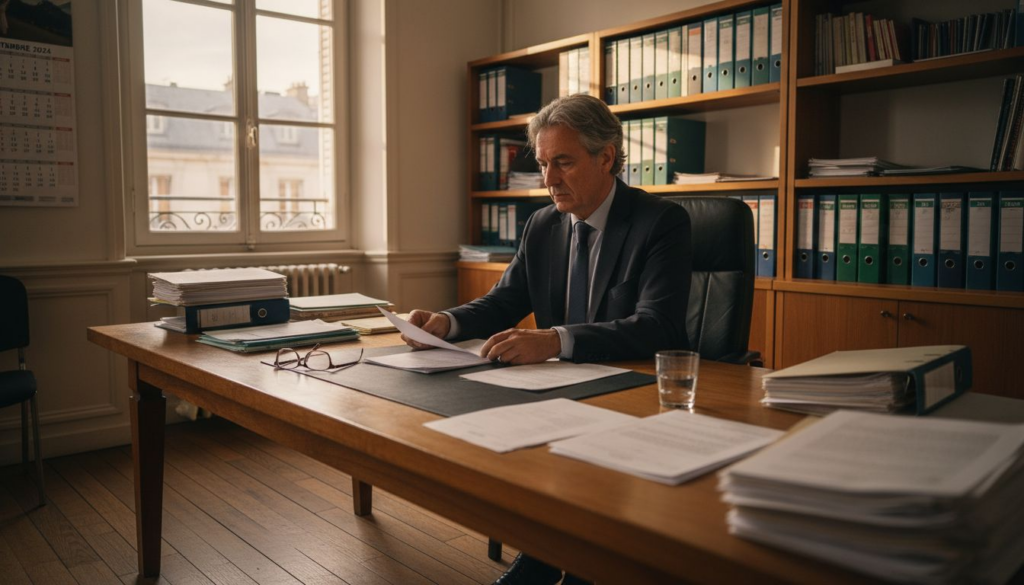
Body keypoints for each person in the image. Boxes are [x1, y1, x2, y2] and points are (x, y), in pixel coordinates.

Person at [403, 94, 693, 584]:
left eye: (563, 162)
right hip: (560, 392)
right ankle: (545, 554)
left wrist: (554, 340)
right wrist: (445, 323)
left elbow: (658, 325)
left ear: (606, 157)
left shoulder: (660, 222)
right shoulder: (543, 224)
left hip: (633, 391)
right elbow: (504, 301)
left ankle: (571, 565)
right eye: (542, 164)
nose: (549, 179)